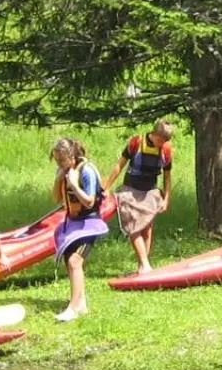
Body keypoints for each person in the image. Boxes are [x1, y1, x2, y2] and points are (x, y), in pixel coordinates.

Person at [104, 121, 175, 274]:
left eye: (165, 141)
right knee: (133, 227)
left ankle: (143, 266)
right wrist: (107, 187)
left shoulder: (166, 149)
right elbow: (119, 165)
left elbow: (167, 177)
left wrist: (166, 199)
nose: (162, 143)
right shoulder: (136, 142)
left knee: (147, 229)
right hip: (129, 190)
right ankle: (145, 264)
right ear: (154, 134)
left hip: (150, 191)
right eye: (160, 140)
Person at [50, 137, 108, 321]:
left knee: (75, 261)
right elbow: (57, 199)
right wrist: (59, 178)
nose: (59, 164)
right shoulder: (64, 170)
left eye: (61, 160)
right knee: (70, 261)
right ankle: (80, 303)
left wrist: (74, 184)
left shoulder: (86, 171)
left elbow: (89, 201)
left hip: (89, 224)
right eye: (57, 160)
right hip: (72, 223)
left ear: (72, 156)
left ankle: (73, 308)